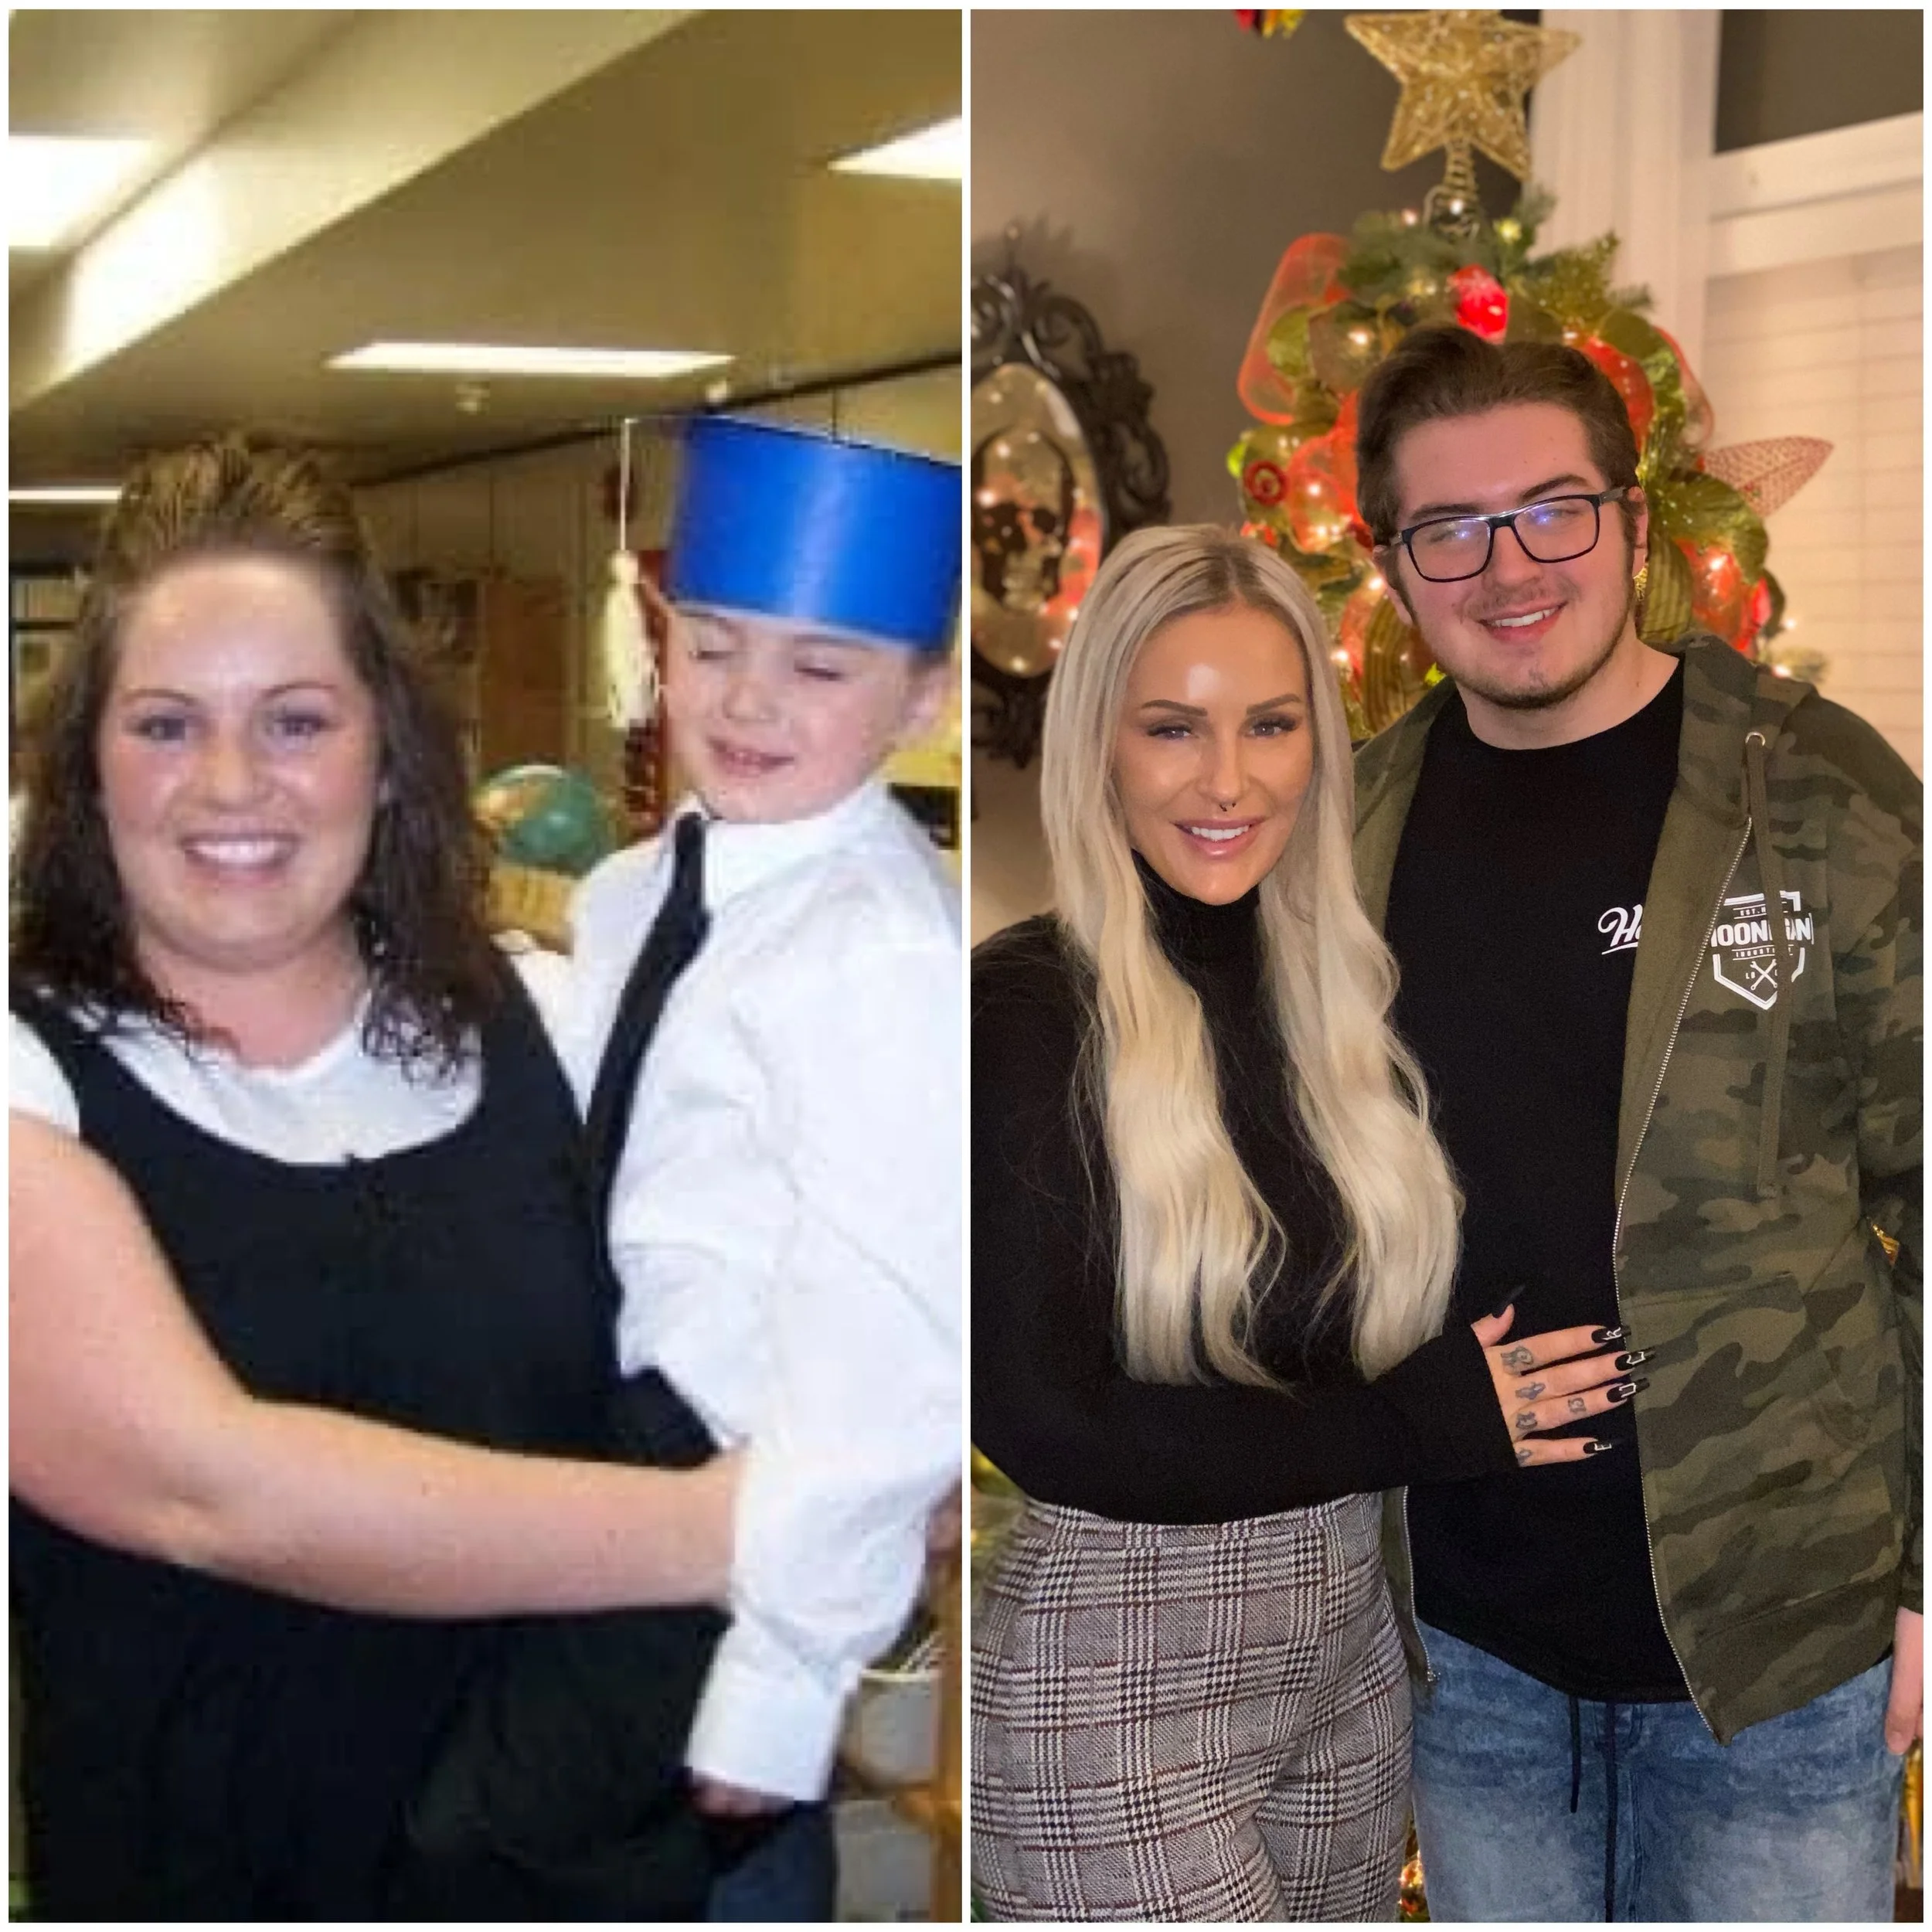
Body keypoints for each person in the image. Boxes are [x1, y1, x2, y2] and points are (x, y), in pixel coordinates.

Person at [8, 433, 737, 1921]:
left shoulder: (560, 1030)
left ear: (387, 750)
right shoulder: (29, 1081)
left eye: (295, 721)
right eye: (164, 725)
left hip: (579, 1877)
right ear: (85, 765)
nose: (231, 785)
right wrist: (753, 1532)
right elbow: (214, 1488)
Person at [971, 522, 1638, 1922]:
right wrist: (1418, 1426)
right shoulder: (1026, 1007)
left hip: (1348, 1663)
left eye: (1271, 725)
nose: (1229, 781)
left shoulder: (1341, 1000)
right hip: (1115, 1676)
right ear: (1099, 747)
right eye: (1173, 728)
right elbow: (1043, 1421)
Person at [1350, 322, 1921, 1922]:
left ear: (1631, 517)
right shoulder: (1350, 824)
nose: (1509, 567)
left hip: (1775, 1651)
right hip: (1470, 1657)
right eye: (1449, 528)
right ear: (1389, 565)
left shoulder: (1811, 794)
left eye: (1553, 508)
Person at [409, 414, 967, 1922]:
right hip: (590, 1454)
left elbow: (891, 1346)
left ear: (923, 694)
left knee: (527, 1850)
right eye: (711, 644)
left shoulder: (884, 952)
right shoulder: (633, 887)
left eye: (820, 667)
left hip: (733, 1509)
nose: (749, 699)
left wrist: (784, 1677)